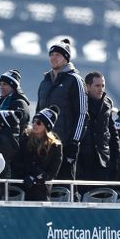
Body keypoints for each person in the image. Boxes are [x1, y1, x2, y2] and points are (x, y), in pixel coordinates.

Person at [36, 38, 87, 183]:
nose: (53, 57)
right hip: (43, 143)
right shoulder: (45, 81)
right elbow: (38, 112)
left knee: (65, 185)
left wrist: (74, 143)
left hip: (64, 144)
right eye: (51, 54)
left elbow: (82, 114)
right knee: (43, 184)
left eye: (58, 54)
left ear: (66, 58)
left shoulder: (75, 80)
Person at [77, 72, 120, 192]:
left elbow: (112, 132)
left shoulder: (107, 104)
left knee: (102, 197)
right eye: (97, 86)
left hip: (103, 162)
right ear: (87, 86)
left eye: (103, 85)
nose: (100, 89)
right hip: (84, 161)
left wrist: (116, 158)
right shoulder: (79, 103)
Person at [12, 106, 62, 201]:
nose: (34, 124)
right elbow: (16, 163)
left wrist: (37, 178)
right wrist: (27, 174)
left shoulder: (55, 146)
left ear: (46, 127)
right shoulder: (24, 139)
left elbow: (52, 173)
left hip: (41, 192)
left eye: (39, 123)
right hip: (20, 188)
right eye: (34, 121)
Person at [0, 69, 31, 136]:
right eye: (0, 84)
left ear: (13, 86)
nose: (1, 87)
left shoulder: (20, 104)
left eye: (5, 84)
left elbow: (19, 129)